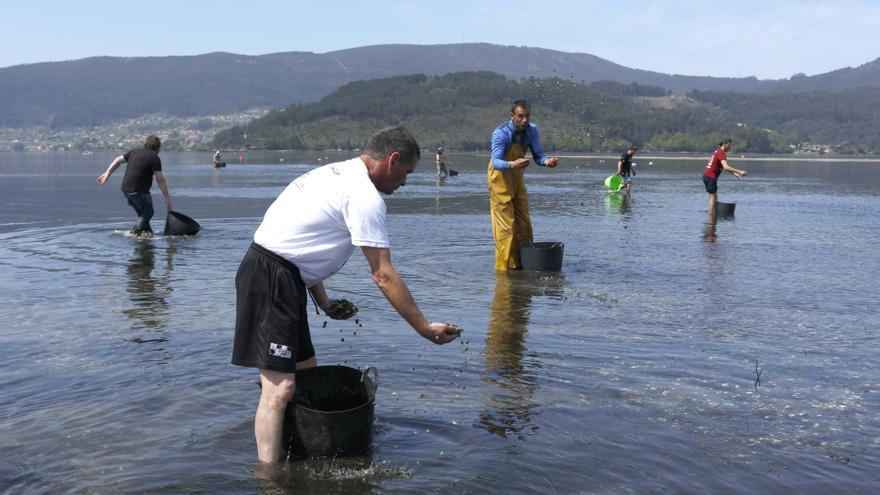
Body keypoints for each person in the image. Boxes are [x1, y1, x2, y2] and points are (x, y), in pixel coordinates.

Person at [232, 126, 462, 464]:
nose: (404, 182)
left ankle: (303, 450)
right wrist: (424, 328)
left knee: (308, 374)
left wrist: (323, 301)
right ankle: (270, 478)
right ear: (392, 160)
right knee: (279, 389)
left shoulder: (334, 174)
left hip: (283, 276)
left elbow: (300, 247)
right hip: (271, 280)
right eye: (406, 173)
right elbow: (383, 274)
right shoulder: (364, 196)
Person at [488, 99, 559, 270]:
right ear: (512, 116)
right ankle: (504, 271)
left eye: (527, 116)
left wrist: (547, 161)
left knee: (524, 225)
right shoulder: (501, 133)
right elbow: (496, 161)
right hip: (499, 179)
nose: (525, 120)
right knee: (506, 228)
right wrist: (511, 164)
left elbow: (538, 155)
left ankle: (522, 264)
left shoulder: (532, 131)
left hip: (517, 179)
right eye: (521, 116)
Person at [96, 135, 172, 235]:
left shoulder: (134, 152)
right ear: (158, 149)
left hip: (126, 190)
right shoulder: (155, 158)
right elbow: (160, 180)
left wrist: (107, 173)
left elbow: (118, 160)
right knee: (148, 212)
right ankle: (134, 232)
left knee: (143, 214)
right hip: (139, 191)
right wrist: (167, 198)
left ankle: (147, 234)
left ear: (145, 145)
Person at [703, 138, 747, 220]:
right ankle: (711, 217)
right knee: (713, 197)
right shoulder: (721, 153)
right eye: (730, 145)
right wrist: (740, 172)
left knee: (714, 196)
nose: (730, 147)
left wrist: (734, 173)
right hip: (710, 177)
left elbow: (722, 167)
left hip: (706, 175)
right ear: (725, 144)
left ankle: (714, 213)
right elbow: (726, 167)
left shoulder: (717, 151)